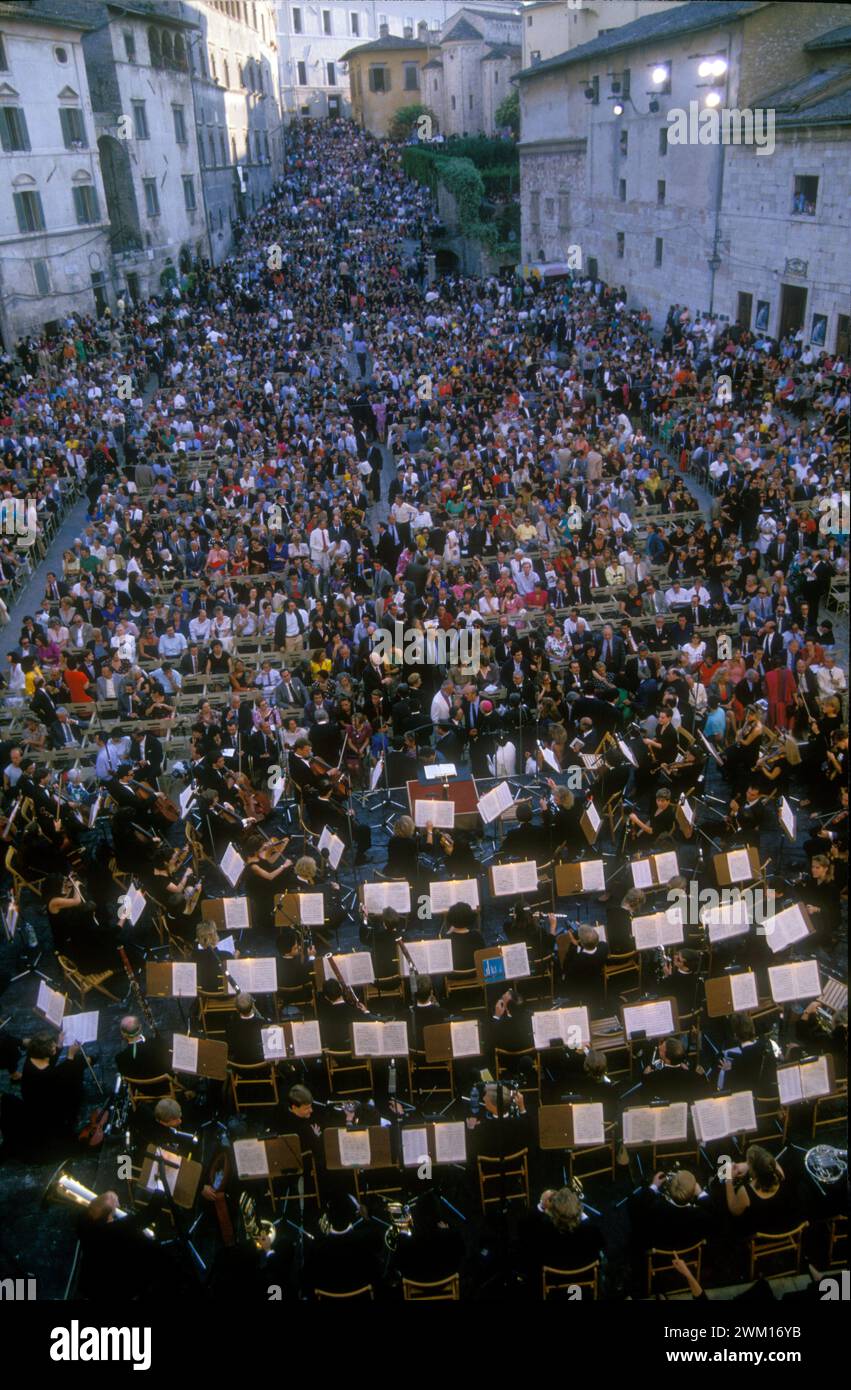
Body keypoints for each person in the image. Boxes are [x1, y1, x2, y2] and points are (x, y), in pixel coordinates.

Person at [19, 1031, 85, 1154]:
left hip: (36, 1095)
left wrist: (59, 1044)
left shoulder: (32, 1058)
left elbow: (50, 1061)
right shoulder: (47, 1073)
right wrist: (70, 1055)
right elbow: (61, 1076)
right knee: (75, 1076)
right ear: (45, 1052)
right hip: (46, 1106)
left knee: (74, 1067)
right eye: (52, 1046)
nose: (55, 1046)